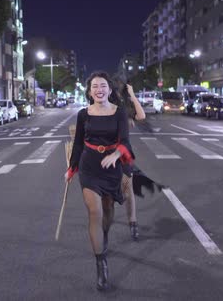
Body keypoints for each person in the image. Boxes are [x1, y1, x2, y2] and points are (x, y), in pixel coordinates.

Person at [64, 71, 134, 291]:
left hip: (112, 167)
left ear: (109, 90)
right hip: (90, 165)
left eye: (103, 85)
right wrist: (71, 168)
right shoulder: (83, 114)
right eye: (95, 86)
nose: (99, 89)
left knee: (108, 209)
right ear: (90, 91)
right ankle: (101, 263)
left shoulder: (119, 112)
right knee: (95, 211)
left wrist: (115, 155)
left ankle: (104, 234)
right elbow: (77, 144)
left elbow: (124, 140)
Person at [115, 79, 146, 241]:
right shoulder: (103, 106)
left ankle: (133, 223)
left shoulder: (125, 108)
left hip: (124, 154)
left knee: (128, 190)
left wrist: (133, 96)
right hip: (104, 153)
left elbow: (141, 115)